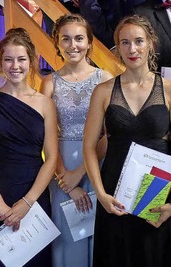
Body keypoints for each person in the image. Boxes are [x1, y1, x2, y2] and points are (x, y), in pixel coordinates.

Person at [83, 15, 171, 267]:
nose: (133, 49)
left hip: (157, 192)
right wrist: (100, 194)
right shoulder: (103, 91)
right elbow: (89, 146)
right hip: (114, 192)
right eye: (125, 43)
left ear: (151, 44)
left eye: (139, 41)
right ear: (117, 48)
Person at [0, 28, 59, 266]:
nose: (15, 66)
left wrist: (28, 202)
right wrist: (1, 207)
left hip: (35, 194)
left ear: (31, 61)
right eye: (8, 59)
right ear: (0, 62)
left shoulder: (45, 104)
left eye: (21, 59)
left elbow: (51, 158)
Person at [40, 14, 113, 267]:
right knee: (69, 239)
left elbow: (108, 134)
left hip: (96, 164)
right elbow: (46, 137)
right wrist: (68, 182)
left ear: (90, 42)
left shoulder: (105, 79)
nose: (73, 45)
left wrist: (83, 172)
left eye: (79, 38)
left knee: (99, 234)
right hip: (61, 167)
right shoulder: (49, 83)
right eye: (66, 39)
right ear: (57, 44)